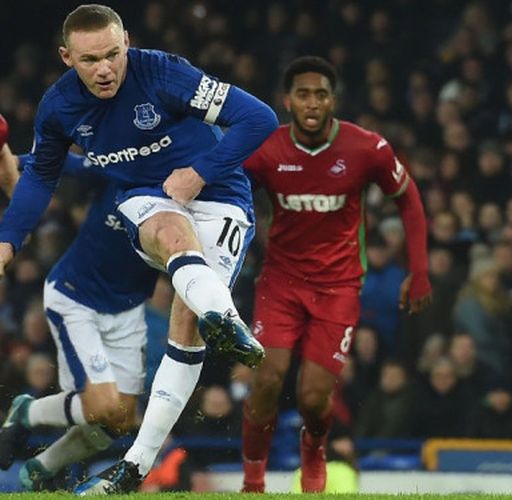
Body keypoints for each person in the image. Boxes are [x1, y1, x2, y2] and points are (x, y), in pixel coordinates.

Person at [0, 5, 278, 494]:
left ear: (126, 41)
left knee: (186, 325)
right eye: (90, 60)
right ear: (67, 57)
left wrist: (201, 171)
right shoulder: (59, 107)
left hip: (221, 198)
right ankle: (229, 319)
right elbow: (41, 174)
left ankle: (135, 468)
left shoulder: (165, 74)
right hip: (146, 202)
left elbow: (259, 118)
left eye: (113, 54)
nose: (105, 69)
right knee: (170, 234)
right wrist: (7, 240)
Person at [240, 56, 431, 493]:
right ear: (288, 100)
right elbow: (230, 196)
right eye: (303, 94)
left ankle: (315, 449)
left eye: (321, 94)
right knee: (267, 380)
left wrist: (418, 271)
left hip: (339, 287)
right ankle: (253, 481)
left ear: (333, 101)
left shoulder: (366, 148)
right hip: (280, 282)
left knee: (312, 398)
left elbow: (409, 199)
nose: (312, 103)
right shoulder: (266, 150)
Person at [0, 138, 160, 491]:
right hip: (76, 298)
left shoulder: (187, 196)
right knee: (100, 405)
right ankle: (26, 412)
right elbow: (61, 164)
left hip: (128, 308)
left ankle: (42, 466)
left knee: (119, 420)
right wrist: (11, 159)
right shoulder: (120, 171)